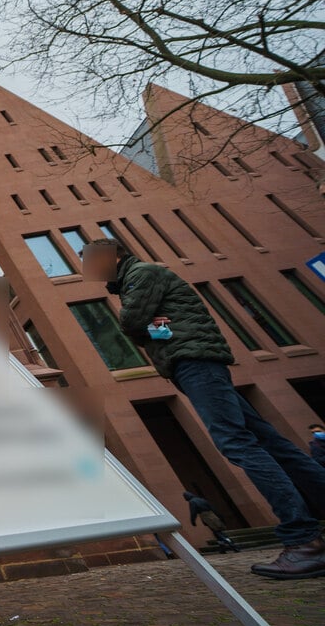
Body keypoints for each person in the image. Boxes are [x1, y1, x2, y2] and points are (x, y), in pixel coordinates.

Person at [82, 238, 325, 579]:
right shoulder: (135, 280)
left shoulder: (141, 274)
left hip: (193, 362)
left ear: (115, 255)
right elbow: (142, 331)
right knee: (269, 441)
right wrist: (153, 327)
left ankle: (304, 540)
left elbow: (130, 322)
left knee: (235, 442)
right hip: (194, 362)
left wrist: (148, 327)